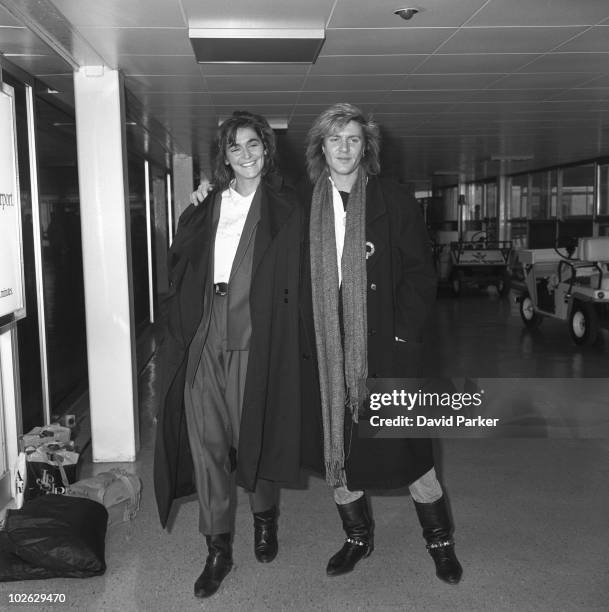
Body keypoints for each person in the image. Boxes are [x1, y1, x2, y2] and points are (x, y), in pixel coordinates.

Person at [300, 103, 463, 584]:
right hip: (331, 354)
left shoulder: (395, 200)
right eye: (335, 140)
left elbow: (419, 274)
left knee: (411, 456)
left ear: (365, 147)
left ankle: (440, 543)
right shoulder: (306, 209)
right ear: (321, 149)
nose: (344, 148)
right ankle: (356, 538)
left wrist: (403, 333)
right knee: (341, 454)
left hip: (387, 350)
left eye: (353, 139)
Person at [154, 111, 303, 598]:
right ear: (225, 157)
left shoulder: (288, 205)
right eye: (235, 148)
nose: (245, 155)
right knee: (208, 447)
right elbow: (180, 264)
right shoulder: (202, 208)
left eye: (253, 144)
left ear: (266, 148)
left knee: (254, 436)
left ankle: (264, 518)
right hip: (205, 335)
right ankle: (217, 549)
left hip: (257, 336)